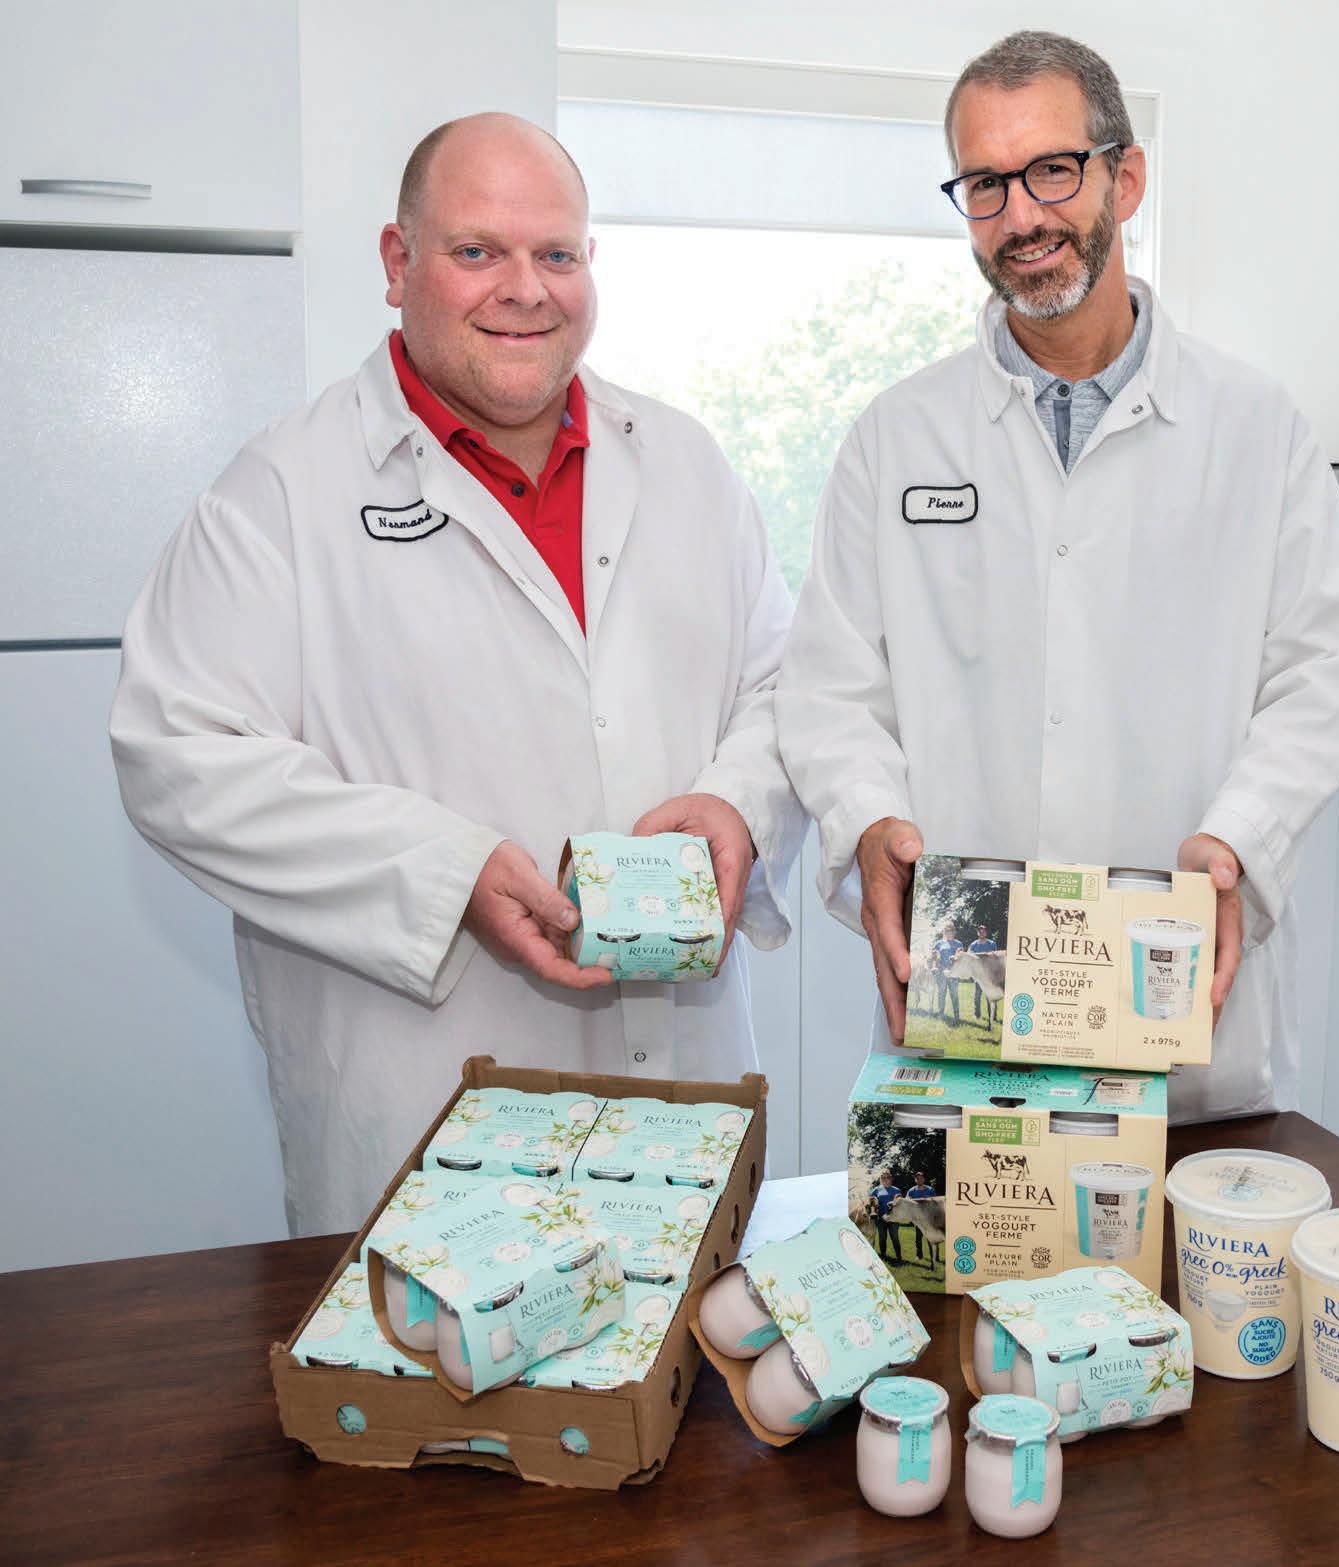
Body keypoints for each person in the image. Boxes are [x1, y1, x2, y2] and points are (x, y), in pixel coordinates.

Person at [111, 114, 803, 1235]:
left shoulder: (684, 462)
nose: (524, 289)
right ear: (398, 263)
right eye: (477, 251)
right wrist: (445, 871)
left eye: (556, 254)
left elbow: (783, 687)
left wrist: (740, 803)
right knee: (440, 1345)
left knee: (693, 1340)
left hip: (685, 1090)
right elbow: (176, 758)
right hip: (426, 1113)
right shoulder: (282, 493)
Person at [775, 32, 1339, 1123]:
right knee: (957, 1236)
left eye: (1052, 170)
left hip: (1178, 1011)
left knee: (1180, 1230)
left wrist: (1238, 837)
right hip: (966, 1011)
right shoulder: (896, 436)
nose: (1020, 216)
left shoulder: (1253, 426)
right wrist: (868, 820)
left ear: (1125, 177)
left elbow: (1330, 665)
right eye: (984, 184)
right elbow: (829, 688)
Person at [930, 919, 963, 1023]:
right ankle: (941, 1014)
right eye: (946, 930)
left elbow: (960, 958)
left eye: (951, 930)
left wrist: (955, 959)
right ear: (944, 931)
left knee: (954, 995)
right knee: (941, 994)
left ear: (954, 931)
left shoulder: (958, 943)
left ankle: (957, 1016)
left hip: (953, 973)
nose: (949, 932)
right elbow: (934, 957)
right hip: (941, 973)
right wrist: (935, 967)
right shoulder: (938, 943)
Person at [870, 1169, 904, 1262]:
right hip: (881, 1219)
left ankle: (899, 1257)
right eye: (883, 1177)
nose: (885, 1179)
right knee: (882, 1238)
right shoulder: (876, 1190)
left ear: (891, 1178)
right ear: (881, 1179)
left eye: (887, 1177)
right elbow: (871, 1201)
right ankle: (883, 1256)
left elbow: (899, 1202)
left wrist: (896, 1201)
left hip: (893, 1218)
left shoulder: (896, 1190)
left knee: (895, 1238)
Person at [967, 923, 998, 1021]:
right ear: (977, 933)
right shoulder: (973, 944)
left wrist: (978, 955)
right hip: (978, 974)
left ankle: (993, 1016)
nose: (981, 933)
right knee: (977, 996)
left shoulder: (992, 944)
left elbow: (994, 956)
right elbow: (969, 956)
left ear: (986, 933)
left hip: (989, 975)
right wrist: (985, 954)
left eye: (983, 931)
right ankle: (977, 1015)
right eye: (980, 932)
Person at [906, 1170, 938, 1259]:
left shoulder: (930, 1190)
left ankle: (935, 1256)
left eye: (921, 1178)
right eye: (917, 1178)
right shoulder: (911, 1191)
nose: (919, 1180)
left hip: (929, 1219)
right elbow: (907, 1201)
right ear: (915, 1180)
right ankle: (919, 1255)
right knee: (918, 1238)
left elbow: (935, 1202)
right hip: (918, 1219)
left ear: (923, 1179)